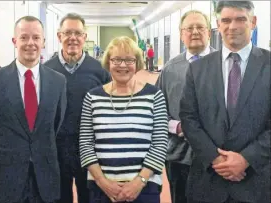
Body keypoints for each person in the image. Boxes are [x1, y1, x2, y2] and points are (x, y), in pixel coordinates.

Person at [179, 1, 270, 203]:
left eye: (240, 19)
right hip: (208, 181)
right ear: (218, 25)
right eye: (226, 20)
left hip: (257, 182)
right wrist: (216, 158)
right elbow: (188, 118)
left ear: (253, 22)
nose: (232, 26)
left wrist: (246, 159)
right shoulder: (197, 69)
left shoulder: (268, 64)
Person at [0, 16, 67, 203]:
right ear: (14, 41)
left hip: (45, 178)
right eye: (24, 37)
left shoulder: (58, 82)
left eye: (36, 38)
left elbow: (55, 125)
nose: (30, 43)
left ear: (43, 42)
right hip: (5, 179)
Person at [79, 36, 168, 203]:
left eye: (129, 60)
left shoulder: (154, 95)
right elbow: (85, 143)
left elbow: (160, 143)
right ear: (108, 62)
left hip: (145, 188)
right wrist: (103, 182)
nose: (122, 65)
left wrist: (139, 181)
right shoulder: (92, 97)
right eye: (117, 59)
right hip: (102, 190)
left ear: (137, 63)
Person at [44, 13, 111, 203]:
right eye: (67, 33)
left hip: (91, 150)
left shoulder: (100, 70)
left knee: (89, 197)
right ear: (59, 36)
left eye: (77, 33)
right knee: (59, 197)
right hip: (56, 150)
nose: (72, 37)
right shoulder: (46, 71)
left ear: (85, 37)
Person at [156, 10, 216, 203]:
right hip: (178, 155)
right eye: (189, 28)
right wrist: (178, 127)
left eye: (200, 27)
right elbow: (157, 112)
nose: (195, 32)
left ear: (209, 32)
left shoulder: (225, 64)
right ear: (181, 34)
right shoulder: (170, 69)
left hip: (217, 156)